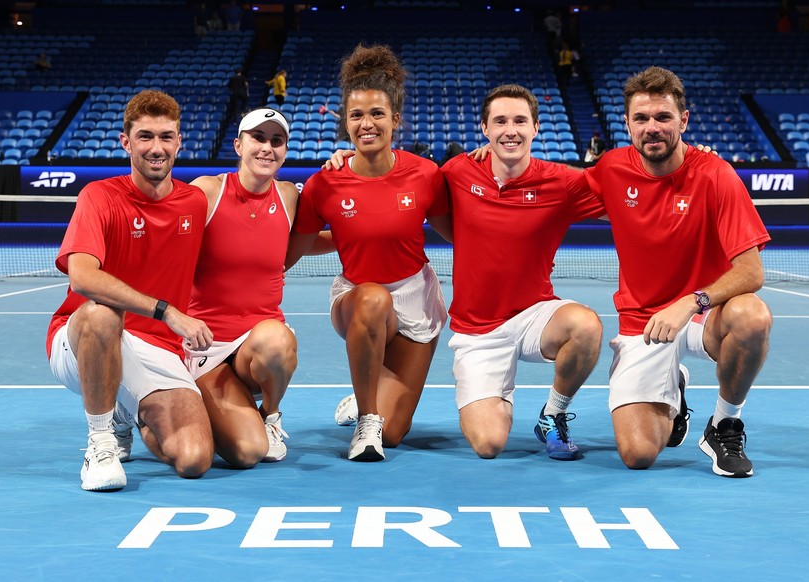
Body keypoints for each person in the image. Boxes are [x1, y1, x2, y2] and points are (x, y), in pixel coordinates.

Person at [583, 66, 772, 478]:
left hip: (703, 316)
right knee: (638, 454)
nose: (653, 128)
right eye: (642, 119)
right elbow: (543, 196)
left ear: (683, 121)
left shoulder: (717, 175)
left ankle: (724, 424)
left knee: (752, 316)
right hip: (642, 321)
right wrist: (496, 157)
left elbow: (752, 271)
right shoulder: (612, 170)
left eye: (663, 117)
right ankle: (675, 388)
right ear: (628, 124)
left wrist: (692, 300)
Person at [285, 44, 452, 462]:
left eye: (377, 113)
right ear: (345, 122)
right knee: (374, 297)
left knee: (394, 435)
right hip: (358, 295)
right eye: (357, 115)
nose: (367, 123)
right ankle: (366, 417)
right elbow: (293, 251)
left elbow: (461, 235)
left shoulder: (426, 175)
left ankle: (367, 395)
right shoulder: (326, 183)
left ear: (396, 119)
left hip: (415, 295)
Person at [46, 90, 214, 491]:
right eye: (145, 137)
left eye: (165, 137)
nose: (156, 148)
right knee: (102, 313)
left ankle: (128, 410)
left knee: (194, 458)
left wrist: (343, 160)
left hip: (158, 349)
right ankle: (101, 440)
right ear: (126, 142)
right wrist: (168, 311)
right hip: (84, 337)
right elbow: (82, 277)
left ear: (179, 141)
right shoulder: (100, 196)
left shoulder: (194, 202)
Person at [441, 84, 604, 460]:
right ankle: (494, 394)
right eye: (500, 121)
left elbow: (632, 192)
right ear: (485, 128)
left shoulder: (563, 182)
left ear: (535, 128)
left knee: (586, 326)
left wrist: (692, 160)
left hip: (534, 315)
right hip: (477, 331)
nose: (509, 130)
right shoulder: (458, 171)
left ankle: (553, 414)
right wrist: (349, 157)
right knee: (489, 445)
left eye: (519, 121)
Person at [185, 108, 298, 466]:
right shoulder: (206, 191)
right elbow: (166, 248)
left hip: (256, 346)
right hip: (207, 344)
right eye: (258, 138)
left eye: (276, 141)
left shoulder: (288, 196)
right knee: (248, 453)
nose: (267, 148)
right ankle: (150, 416)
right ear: (238, 145)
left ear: (285, 150)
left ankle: (271, 414)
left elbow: (310, 239)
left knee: (277, 339)